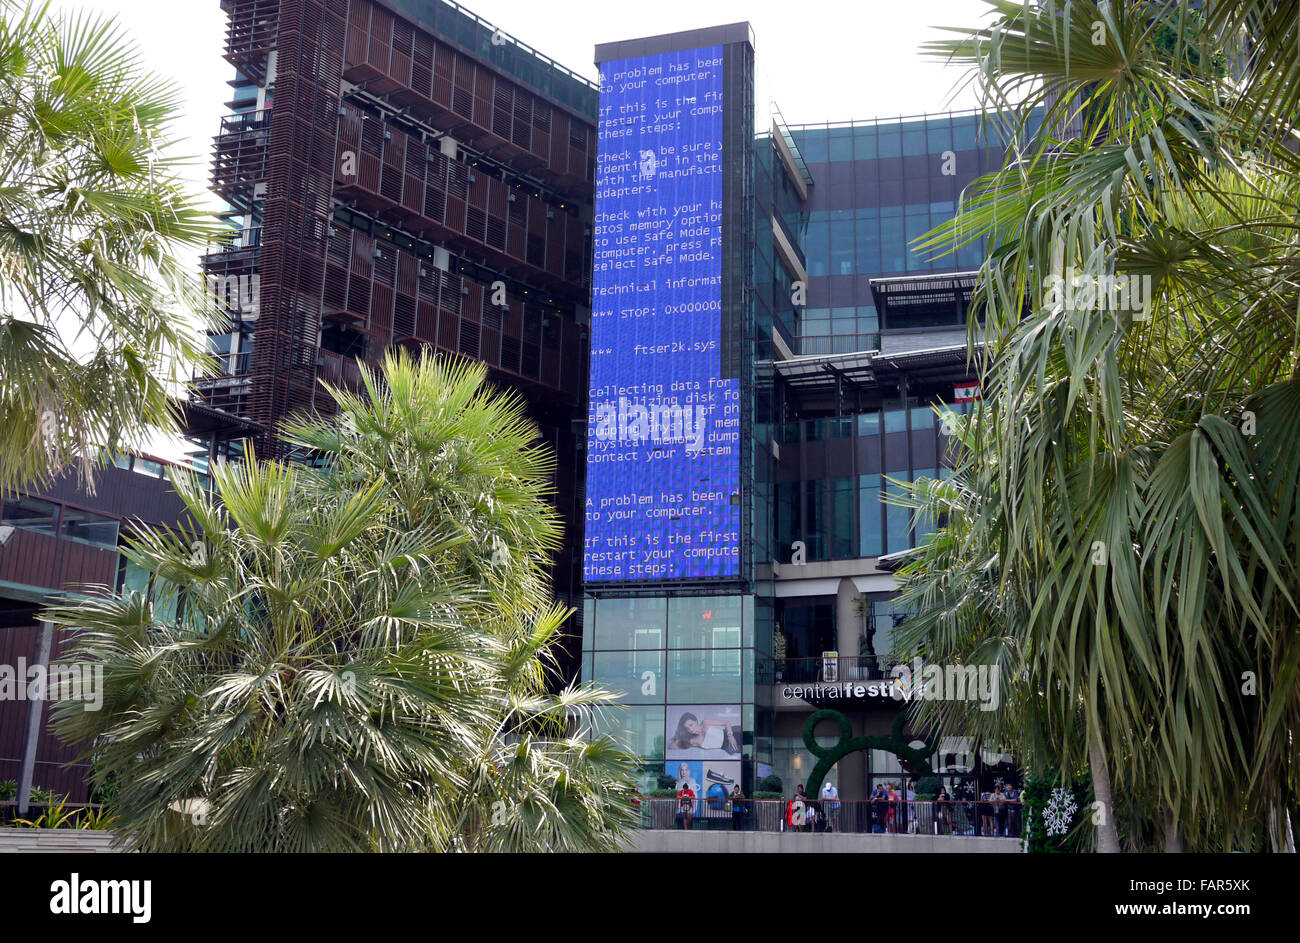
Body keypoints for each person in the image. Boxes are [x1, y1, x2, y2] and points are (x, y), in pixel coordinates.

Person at [668, 712, 739, 754]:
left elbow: (726, 723)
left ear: (696, 721)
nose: (691, 729)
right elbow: (673, 746)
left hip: (734, 734)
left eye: (691, 725)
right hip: (728, 747)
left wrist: (731, 737)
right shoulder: (693, 742)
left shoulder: (705, 723)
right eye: (687, 728)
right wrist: (675, 742)